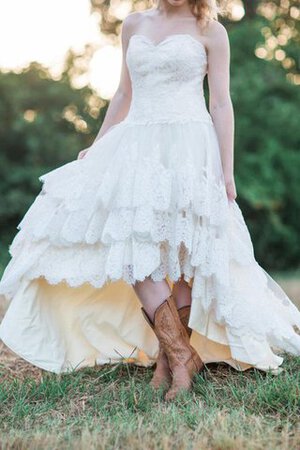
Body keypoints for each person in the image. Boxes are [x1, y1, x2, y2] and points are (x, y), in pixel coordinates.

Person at [0, 0, 300, 401]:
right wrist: (97, 145)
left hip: (191, 147)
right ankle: (180, 355)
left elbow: (221, 103)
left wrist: (226, 172)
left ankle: (170, 361)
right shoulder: (133, 24)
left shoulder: (211, 29)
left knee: (191, 254)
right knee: (133, 253)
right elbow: (123, 92)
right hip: (137, 148)